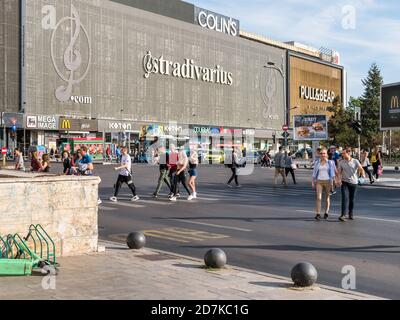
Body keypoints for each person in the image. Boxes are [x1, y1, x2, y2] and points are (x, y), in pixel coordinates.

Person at [338, 148, 365, 221]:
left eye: (344, 153)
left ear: (348, 153)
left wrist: (363, 175)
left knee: (352, 199)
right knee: (344, 198)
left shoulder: (355, 161)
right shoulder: (341, 162)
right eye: (342, 153)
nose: (342, 155)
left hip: (354, 183)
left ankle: (350, 213)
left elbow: (361, 169)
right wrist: (339, 180)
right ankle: (343, 215)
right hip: (344, 182)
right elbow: (339, 172)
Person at [312, 148, 336, 220]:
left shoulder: (331, 162)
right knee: (319, 198)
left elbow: (334, 172)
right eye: (321, 153)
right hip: (319, 181)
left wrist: (335, 181)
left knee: (327, 198)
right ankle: (318, 214)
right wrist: (313, 182)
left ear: (327, 154)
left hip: (328, 181)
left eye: (324, 153)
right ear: (319, 154)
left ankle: (326, 212)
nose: (322, 155)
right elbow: (314, 173)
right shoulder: (317, 162)